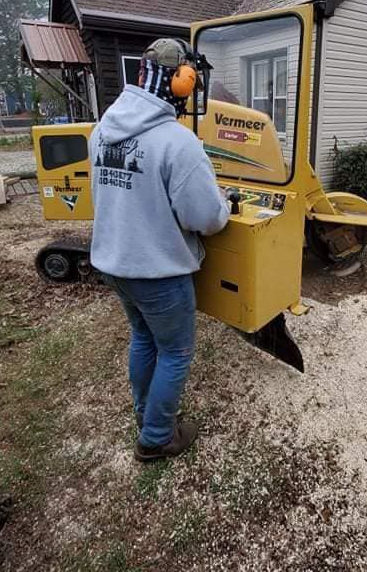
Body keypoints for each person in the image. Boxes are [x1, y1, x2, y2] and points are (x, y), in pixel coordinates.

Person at [89, 38, 229, 462]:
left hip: (116, 264)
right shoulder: (176, 142)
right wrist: (222, 203)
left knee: (144, 337)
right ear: (182, 82)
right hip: (159, 273)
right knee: (175, 350)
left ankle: (144, 412)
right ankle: (156, 438)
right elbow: (206, 218)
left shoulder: (102, 130)